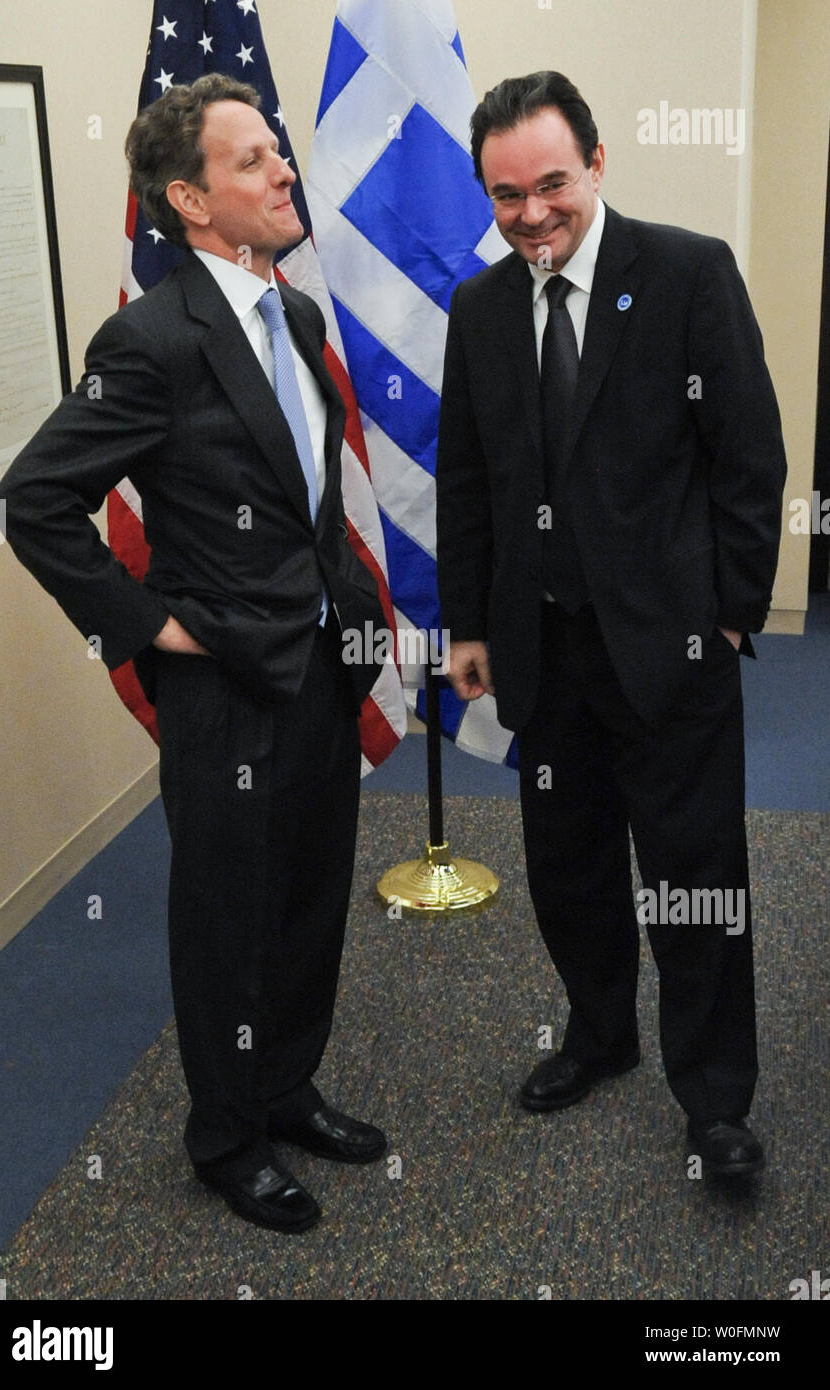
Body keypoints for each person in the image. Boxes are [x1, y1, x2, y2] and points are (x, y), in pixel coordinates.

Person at [0, 74, 388, 1232]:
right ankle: (227, 1136)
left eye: (279, 152)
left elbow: (307, 496)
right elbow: (37, 500)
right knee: (229, 918)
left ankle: (287, 1087)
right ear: (190, 198)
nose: (283, 171)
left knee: (313, 896)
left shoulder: (296, 314)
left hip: (319, 663)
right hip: (225, 688)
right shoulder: (151, 337)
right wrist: (149, 624)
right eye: (255, 159)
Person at [436, 71, 786, 1177]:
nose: (531, 213)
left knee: (693, 876)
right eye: (504, 195)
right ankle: (600, 1032)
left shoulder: (686, 273)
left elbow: (748, 460)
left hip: (672, 651)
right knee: (570, 868)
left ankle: (716, 1100)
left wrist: (730, 621)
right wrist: (467, 624)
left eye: (549, 184)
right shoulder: (479, 308)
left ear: (595, 162)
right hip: (545, 653)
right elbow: (468, 481)